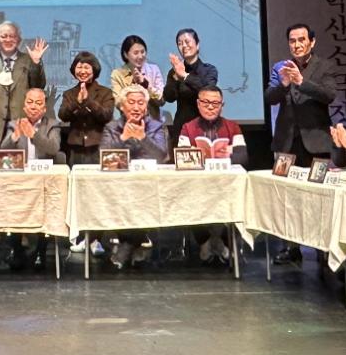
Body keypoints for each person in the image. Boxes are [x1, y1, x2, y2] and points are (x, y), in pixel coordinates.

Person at [179, 82, 246, 266]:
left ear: (222, 105)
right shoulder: (188, 128)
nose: (210, 107)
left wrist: (226, 155)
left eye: (215, 103)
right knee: (185, 200)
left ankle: (224, 240)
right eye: (206, 102)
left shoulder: (232, 127)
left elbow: (243, 156)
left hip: (226, 186)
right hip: (197, 186)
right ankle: (205, 241)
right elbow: (183, 157)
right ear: (198, 104)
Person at [105, 84, 169, 269]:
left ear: (146, 106)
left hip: (148, 185)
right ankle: (137, 242)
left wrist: (143, 138)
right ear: (121, 106)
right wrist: (122, 138)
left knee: (142, 198)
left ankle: (128, 245)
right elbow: (104, 156)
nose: (136, 107)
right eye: (131, 102)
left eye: (140, 103)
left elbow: (162, 156)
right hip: (119, 185)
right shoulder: (112, 127)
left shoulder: (156, 126)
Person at [1, 86, 64, 271]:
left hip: (44, 181)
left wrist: (33, 135)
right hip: (20, 181)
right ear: (24, 106)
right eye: (30, 102)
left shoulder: (52, 124)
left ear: (44, 108)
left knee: (44, 211)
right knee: (13, 208)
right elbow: (2, 153)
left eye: (38, 103)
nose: (33, 106)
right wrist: (15, 136)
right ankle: (17, 250)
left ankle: (40, 252)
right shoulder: (14, 123)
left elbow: (54, 148)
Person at [0, 21, 48, 163]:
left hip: (21, 125)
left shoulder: (28, 60)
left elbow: (38, 86)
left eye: (12, 36)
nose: (8, 39)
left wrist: (36, 63)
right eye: (4, 36)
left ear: (19, 39)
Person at [266, 22, 337, 168]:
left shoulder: (325, 66)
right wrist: (284, 84)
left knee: (315, 183)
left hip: (317, 143)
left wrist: (301, 82)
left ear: (312, 42)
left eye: (301, 40)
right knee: (282, 183)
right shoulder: (281, 67)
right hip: (286, 143)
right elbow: (269, 98)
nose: (297, 45)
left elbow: (329, 95)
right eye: (292, 41)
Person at [58, 50, 117, 166]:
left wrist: (88, 102)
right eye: (79, 67)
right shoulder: (69, 94)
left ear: (94, 69)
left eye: (86, 67)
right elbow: (63, 115)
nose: (82, 71)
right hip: (75, 147)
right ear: (74, 70)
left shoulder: (106, 92)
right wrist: (77, 102)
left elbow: (107, 116)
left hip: (99, 145)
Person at [162, 28, 220, 134]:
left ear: (197, 44)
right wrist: (175, 78)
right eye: (180, 43)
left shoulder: (209, 70)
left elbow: (208, 93)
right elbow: (169, 97)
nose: (184, 46)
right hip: (182, 129)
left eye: (187, 42)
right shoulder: (175, 71)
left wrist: (185, 76)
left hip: (204, 128)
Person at [109, 34, 166, 119]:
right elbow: (118, 103)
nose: (140, 56)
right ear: (125, 54)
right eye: (135, 53)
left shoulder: (154, 70)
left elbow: (161, 100)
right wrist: (132, 85)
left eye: (143, 52)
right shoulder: (117, 74)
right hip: (129, 123)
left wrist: (145, 84)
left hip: (153, 123)